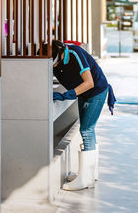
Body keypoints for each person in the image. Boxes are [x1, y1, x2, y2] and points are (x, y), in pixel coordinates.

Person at [46, 40, 116, 191]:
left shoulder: (74, 53)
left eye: (54, 63)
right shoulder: (54, 61)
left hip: (96, 91)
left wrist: (66, 95)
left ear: (60, 55)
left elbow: (89, 82)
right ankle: (90, 173)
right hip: (83, 94)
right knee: (88, 130)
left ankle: (85, 179)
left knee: (86, 130)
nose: (54, 67)